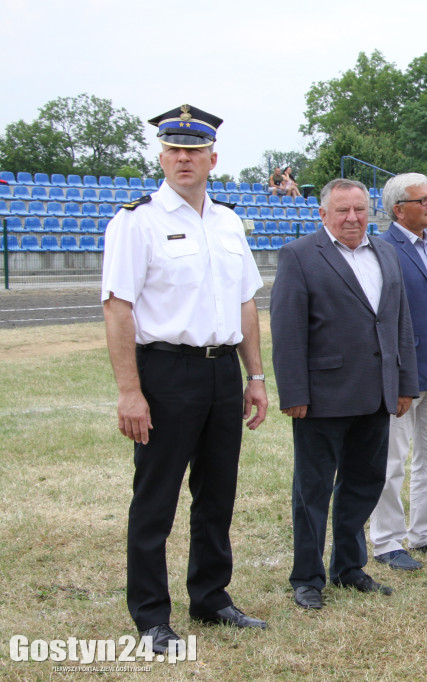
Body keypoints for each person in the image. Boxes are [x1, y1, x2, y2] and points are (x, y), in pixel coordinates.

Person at [101, 104, 269, 654]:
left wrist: (256, 376)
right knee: (156, 499)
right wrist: (131, 391)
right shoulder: (137, 220)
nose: (183, 159)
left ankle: (211, 597)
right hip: (166, 371)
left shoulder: (227, 221)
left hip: (223, 370)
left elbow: (245, 302)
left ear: (212, 158)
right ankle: (151, 615)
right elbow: (118, 308)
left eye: (194, 151)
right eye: (174, 150)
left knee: (217, 492)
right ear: (161, 156)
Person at [271, 178, 419, 609]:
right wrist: (294, 392)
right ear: (323, 214)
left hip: (377, 394)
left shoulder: (386, 252)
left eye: (359, 210)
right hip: (322, 396)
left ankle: (350, 567)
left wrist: (404, 382)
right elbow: (287, 330)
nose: (352, 218)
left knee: (364, 483)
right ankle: (307, 577)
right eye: (342, 211)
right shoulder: (299, 256)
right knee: (313, 490)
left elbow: (399, 323)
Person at [368, 173, 427, 571]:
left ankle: (425, 532)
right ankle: (387, 540)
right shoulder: (382, 248)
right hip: (403, 374)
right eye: (422, 199)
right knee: (392, 461)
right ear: (398, 210)